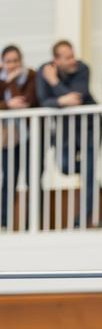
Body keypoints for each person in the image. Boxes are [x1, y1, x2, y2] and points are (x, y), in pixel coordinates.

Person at [36, 40, 102, 226]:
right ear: (56, 60)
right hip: (66, 129)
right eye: (67, 57)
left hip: (90, 125)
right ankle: (90, 173)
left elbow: (76, 98)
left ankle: (83, 218)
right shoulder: (43, 71)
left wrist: (54, 83)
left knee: (88, 171)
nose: (73, 59)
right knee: (64, 165)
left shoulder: (83, 69)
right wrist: (61, 100)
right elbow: (43, 100)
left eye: (73, 55)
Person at [0, 44, 38, 229]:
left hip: (29, 136)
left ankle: (35, 221)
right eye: (8, 61)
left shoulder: (30, 75)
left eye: (15, 61)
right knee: (8, 178)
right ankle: (4, 221)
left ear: (20, 60)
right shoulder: (2, 78)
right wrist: (9, 83)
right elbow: (7, 103)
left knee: (33, 177)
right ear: (2, 62)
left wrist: (12, 84)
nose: (12, 65)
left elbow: (25, 101)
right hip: (8, 138)